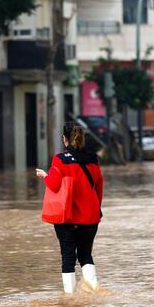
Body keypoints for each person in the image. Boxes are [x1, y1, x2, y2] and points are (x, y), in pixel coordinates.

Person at [35, 122, 104, 294]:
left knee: (68, 257)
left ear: (65, 139)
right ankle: (95, 291)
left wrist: (45, 175)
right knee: (86, 255)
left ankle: (70, 300)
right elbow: (99, 188)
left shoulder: (60, 159)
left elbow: (54, 184)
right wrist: (96, 211)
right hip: (91, 217)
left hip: (68, 217)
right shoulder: (93, 159)